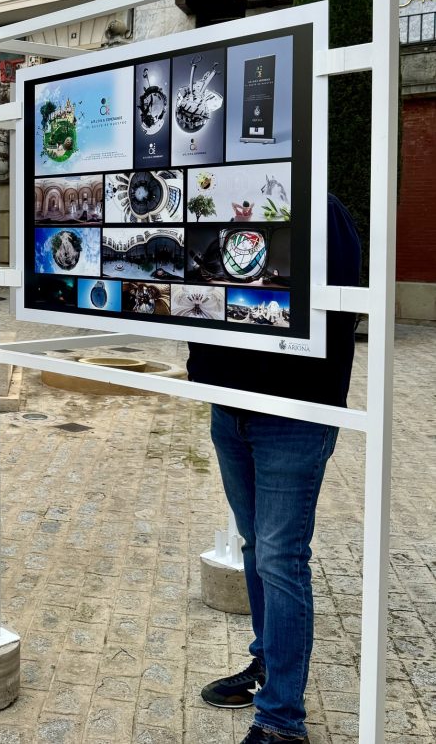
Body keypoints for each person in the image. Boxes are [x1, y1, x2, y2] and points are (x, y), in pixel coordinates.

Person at [186, 194, 361, 744]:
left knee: (282, 558)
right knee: (256, 546)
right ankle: (267, 666)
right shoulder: (215, 206)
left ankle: (283, 721)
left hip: (291, 413)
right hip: (228, 406)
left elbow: (333, 310)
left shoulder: (319, 207)